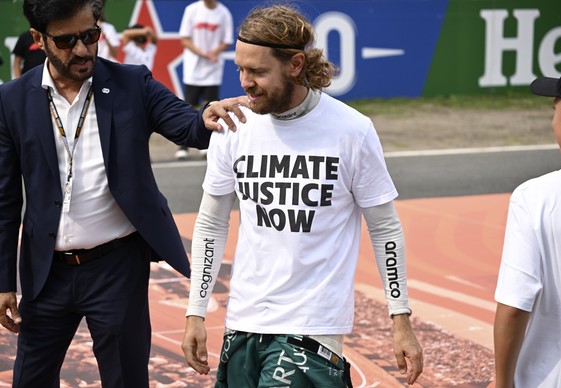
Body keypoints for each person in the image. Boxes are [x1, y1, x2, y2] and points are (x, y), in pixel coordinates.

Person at [0, 0, 246, 386]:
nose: (82, 49)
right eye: (67, 41)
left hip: (116, 268)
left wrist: (205, 116)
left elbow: (186, 124)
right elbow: (5, 201)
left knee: (125, 380)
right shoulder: (12, 100)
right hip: (45, 272)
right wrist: (3, 281)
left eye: (90, 35)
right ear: (38, 39)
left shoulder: (132, 82)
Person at [181, 4, 423, 387]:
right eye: (240, 69)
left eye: (258, 71)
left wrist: (401, 319)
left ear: (295, 64)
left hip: (313, 328)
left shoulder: (351, 130)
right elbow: (211, 222)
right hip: (243, 323)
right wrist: (196, 311)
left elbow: (385, 228)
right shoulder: (233, 126)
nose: (245, 83)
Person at [493, 56, 561, 387]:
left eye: (556, 108)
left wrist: (502, 381)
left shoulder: (535, 197)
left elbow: (515, 306)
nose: (554, 117)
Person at [175, 0, 233, 160]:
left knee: (211, 106)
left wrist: (213, 52)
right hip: (193, 70)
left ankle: (206, 143)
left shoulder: (223, 13)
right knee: (189, 106)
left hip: (213, 70)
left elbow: (226, 40)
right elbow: (185, 39)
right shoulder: (192, 10)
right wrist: (202, 53)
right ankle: (183, 146)